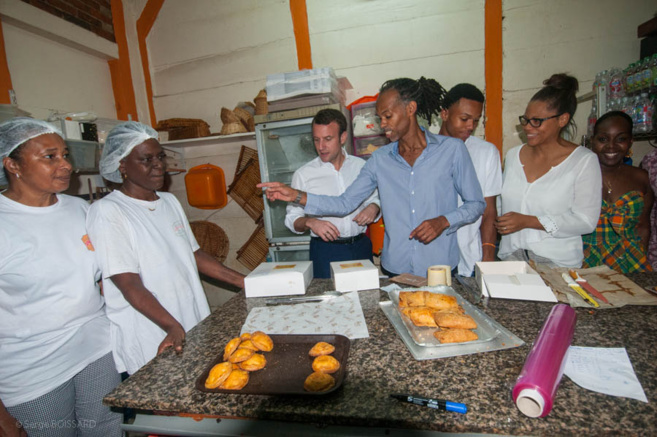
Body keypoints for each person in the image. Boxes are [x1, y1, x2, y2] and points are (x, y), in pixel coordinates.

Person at [259, 77, 485, 277]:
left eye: (387, 116)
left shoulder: (452, 150)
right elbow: (344, 203)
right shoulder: (379, 160)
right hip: (396, 267)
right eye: (380, 117)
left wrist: (444, 221)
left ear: (410, 109)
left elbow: (476, 204)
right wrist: (296, 195)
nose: (382, 124)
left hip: (439, 265)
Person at [86, 121, 245, 376]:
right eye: (146, 159)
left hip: (190, 320)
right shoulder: (108, 211)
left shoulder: (169, 201)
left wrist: (245, 282)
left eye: (160, 156)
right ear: (122, 166)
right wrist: (171, 325)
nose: (158, 164)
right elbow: (128, 283)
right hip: (154, 331)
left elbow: (192, 254)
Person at [0, 118, 122, 437]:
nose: (66, 165)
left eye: (65, 154)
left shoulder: (79, 210)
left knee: (108, 429)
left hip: (96, 349)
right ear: (12, 164)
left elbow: (100, 280)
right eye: (50, 156)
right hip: (32, 369)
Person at [496, 73, 602, 267]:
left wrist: (530, 221)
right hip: (511, 259)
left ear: (562, 119)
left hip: (557, 264)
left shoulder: (583, 161)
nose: (528, 127)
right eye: (525, 120)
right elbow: (501, 204)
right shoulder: (513, 156)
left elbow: (586, 221)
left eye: (537, 121)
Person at [285, 108, 380, 278]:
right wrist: (310, 222)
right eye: (316, 140)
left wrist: (374, 207)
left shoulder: (361, 167)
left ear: (342, 137)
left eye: (328, 139)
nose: (321, 147)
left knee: (366, 299)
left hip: (360, 247)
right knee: (329, 302)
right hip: (325, 251)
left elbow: (376, 198)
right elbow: (292, 219)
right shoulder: (303, 175)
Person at [439, 84, 502, 276]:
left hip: (469, 260)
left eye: (476, 120)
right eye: (464, 119)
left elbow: (489, 210)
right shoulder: (425, 151)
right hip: (433, 260)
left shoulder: (486, 152)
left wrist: (488, 259)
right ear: (444, 114)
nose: (470, 127)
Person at [583, 111, 653, 273]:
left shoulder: (641, 177)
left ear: (630, 142)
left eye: (620, 139)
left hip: (631, 260)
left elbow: (643, 226)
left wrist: (642, 260)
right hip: (585, 258)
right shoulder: (578, 176)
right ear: (592, 141)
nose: (611, 146)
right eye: (603, 139)